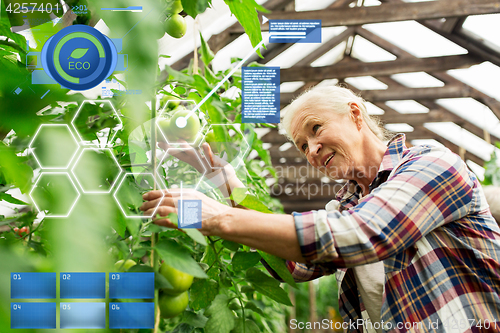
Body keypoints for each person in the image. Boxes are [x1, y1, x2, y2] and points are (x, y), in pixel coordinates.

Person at [141, 85, 500, 332]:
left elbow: (364, 234)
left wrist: (217, 216)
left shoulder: (434, 164)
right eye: (302, 146)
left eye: (316, 129)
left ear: (356, 115)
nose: (311, 150)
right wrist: (225, 181)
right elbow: (293, 267)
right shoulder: (346, 206)